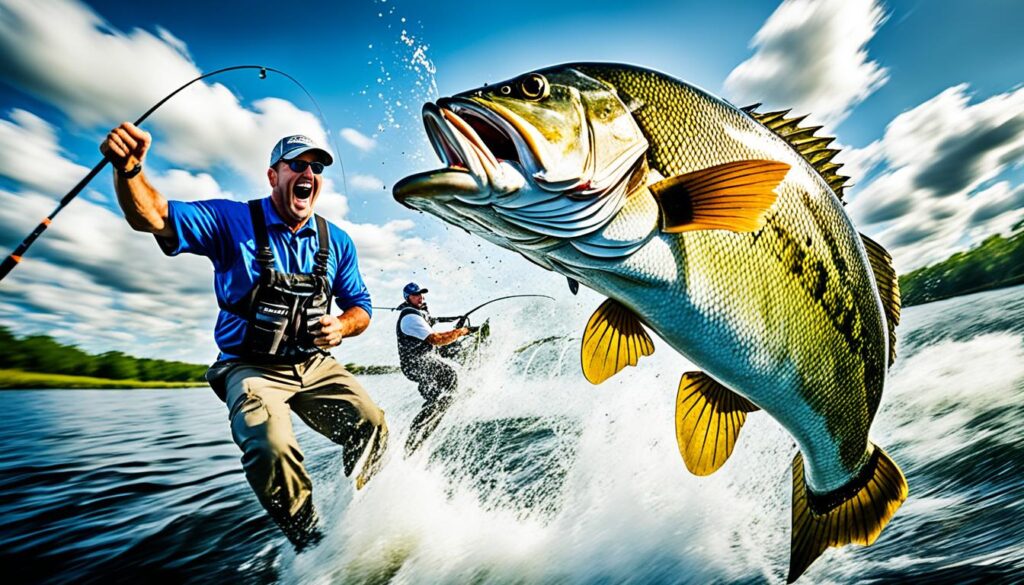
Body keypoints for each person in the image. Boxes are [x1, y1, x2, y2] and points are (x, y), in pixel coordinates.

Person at [100, 122, 388, 551]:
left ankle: (364, 515)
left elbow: (361, 307)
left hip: (314, 363)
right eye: (297, 165)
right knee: (270, 447)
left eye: (317, 168)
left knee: (373, 427)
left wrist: (342, 325)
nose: (308, 174)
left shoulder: (339, 241)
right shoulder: (230, 220)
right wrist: (129, 169)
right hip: (248, 366)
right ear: (274, 175)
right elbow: (153, 216)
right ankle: (313, 546)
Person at [395, 283, 479, 454]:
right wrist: (462, 331)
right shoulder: (410, 318)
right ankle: (415, 437)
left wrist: (456, 321)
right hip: (416, 364)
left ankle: (436, 409)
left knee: (454, 350)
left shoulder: (420, 313)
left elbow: (433, 320)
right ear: (407, 298)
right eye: (415, 295)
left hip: (425, 359)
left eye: (421, 294)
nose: (421, 297)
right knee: (448, 377)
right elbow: (437, 339)